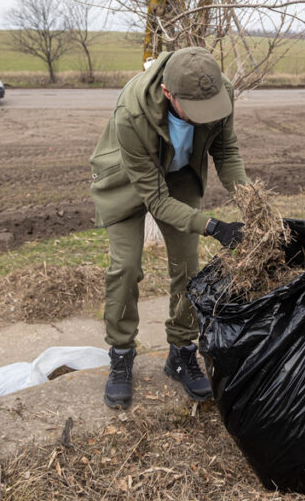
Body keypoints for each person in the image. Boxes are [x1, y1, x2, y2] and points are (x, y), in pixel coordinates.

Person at [89, 46, 249, 408]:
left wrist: (251, 201)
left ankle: (181, 351)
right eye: (194, 110)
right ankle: (121, 353)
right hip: (127, 180)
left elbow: (226, 151)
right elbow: (157, 199)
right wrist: (211, 226)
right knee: (125, 267)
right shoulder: (132, 111)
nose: (203, 117)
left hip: (179, 175)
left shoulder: (217, 90)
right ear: (167, 93)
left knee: (188, 267)